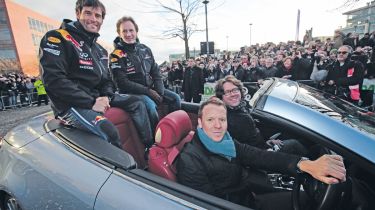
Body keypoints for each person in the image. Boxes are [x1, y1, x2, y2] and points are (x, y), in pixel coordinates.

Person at [176, 97, 346, 209]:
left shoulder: (225, 140)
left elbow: (257, 155)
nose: (218, 126)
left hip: (250, 188)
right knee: (306, 202)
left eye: (222, 119)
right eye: (210, 120)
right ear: (199, 123)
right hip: (242, 203)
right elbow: (208, 205)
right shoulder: (189, 160)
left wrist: (304, 164)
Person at [39, 0, 153, 148]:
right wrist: (91, 102)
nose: (93, 19)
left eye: (98, 16)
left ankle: (149, 149)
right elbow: (54, 80)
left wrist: (105, 96)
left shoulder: (100, 50)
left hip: (97, 97)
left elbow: (107, 81)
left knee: (139, 103)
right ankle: (120, 171)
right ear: (78, 13)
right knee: (109, 131)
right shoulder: (56, 37)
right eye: (88, 13)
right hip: (70, 105)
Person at [110, 16, 181, 132]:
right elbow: (122, 83)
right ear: (119, 33)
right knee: (150, 105)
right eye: (124, 31)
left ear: (136, 31)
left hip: (150, 89)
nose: (128, 34)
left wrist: (160, 92)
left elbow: (156, 72)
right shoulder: (116, 55)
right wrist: (148, 92)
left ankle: (174, 131)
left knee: (176, 98)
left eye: (131, 30)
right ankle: (157, 139)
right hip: (132, 93)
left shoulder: (145, 49)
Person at [215, 75, 307, 155]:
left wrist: (267, 141)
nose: (232, 94)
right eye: (227, 92)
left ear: (240, 91)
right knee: (293, 145)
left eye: (235, 90)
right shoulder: (226, 117)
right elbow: (245, 147)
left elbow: (253, 137)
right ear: (221, 96)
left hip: (260, 147)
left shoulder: (240, 109)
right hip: (258, 156)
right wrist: (267, 147)